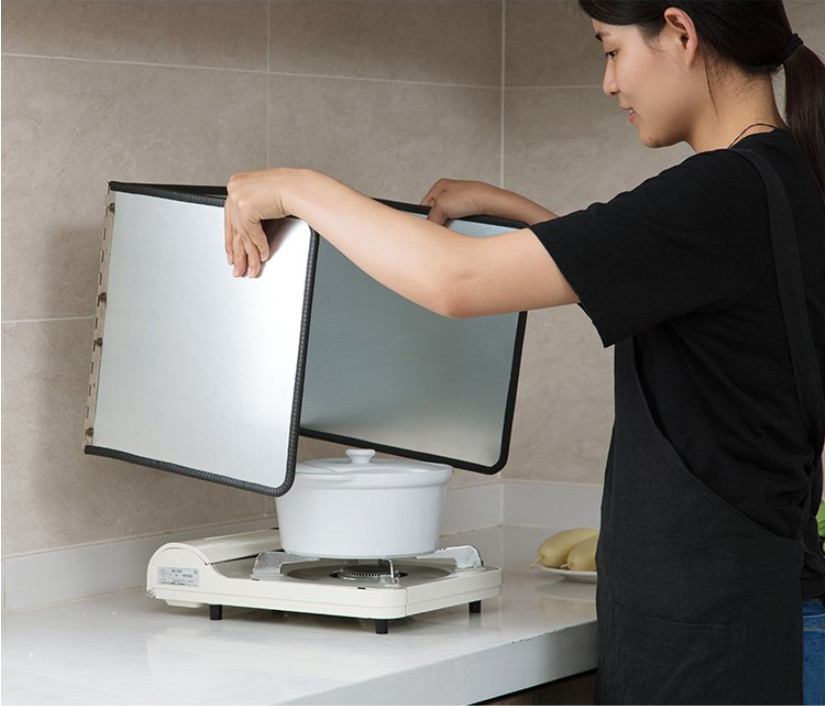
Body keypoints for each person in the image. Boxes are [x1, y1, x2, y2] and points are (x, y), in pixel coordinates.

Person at [223, 1, 825, 703]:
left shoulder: (719, 191)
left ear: (681, 32)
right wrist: (513, 210)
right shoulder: (784, 177)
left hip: (710, 638)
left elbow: (456, 280)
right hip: (748, 610)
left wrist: (297, 188)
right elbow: (654, 270)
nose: (609, 82)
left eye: (610, 49)